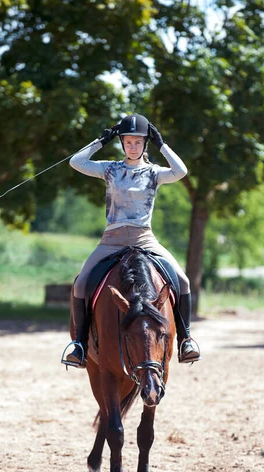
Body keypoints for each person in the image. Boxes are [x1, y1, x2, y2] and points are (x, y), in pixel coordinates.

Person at [65, 113, 200, 368]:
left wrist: (162, 144)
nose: (133, 146)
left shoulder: (153, 173)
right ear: (123, 144)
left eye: (138, 142)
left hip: (144, 239)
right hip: (112, 239)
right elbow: (76, 162)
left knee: (182, 281)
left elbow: (181, 171)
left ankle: (186, 340)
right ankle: (80, 345)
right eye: (128, 142)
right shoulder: (110, 169)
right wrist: (98, 142)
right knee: (81, 283)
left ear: (144, 145)